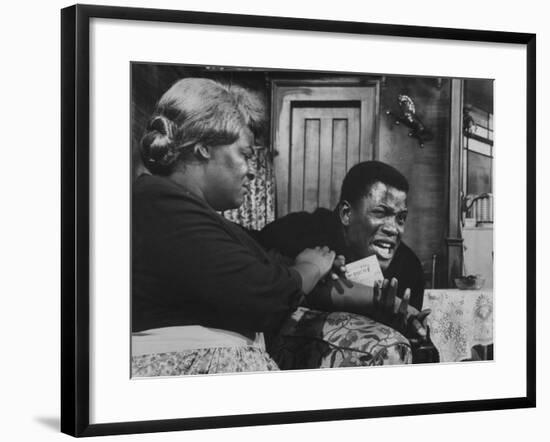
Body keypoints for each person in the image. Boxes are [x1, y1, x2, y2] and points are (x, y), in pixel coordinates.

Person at [132, 78, 427, 376]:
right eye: (246, 155)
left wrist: (384, 303)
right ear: (204, 147)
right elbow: (266, 293)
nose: (252, 171)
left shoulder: (198, 217)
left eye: (400, 217)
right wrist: (310, 267)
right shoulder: (157, 203)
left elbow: (275, 274)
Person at [257, 161, 425, 310]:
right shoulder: (297, 232)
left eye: (401, 218)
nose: (393, 229)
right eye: (380, 213)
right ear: (346, 214)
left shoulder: (409, 267)